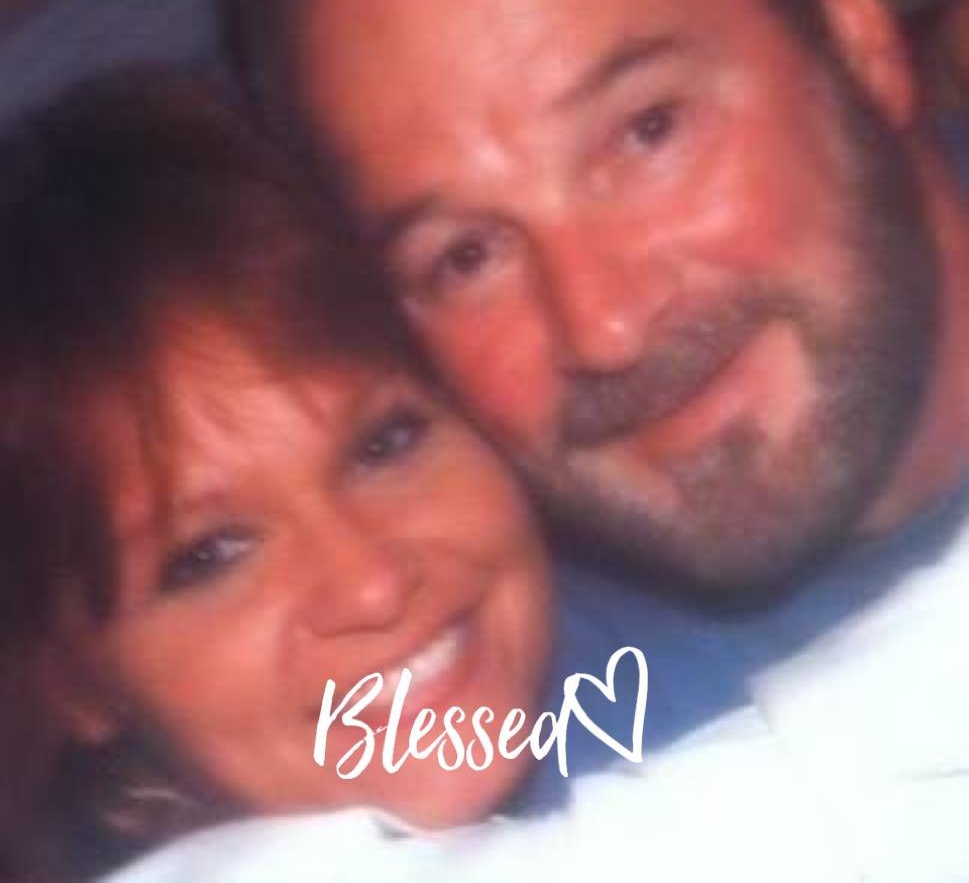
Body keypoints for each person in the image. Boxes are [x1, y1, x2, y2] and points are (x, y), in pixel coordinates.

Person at [0, 70, 703, 880]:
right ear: (73, 684)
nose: (371, 585)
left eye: (384, 444)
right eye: (209, 555)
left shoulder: (725, 669)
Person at [217, 0, 969, 594]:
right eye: (466, 257)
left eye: (647, 130)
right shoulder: (521, 688)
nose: (605, 329)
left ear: (849, 26)